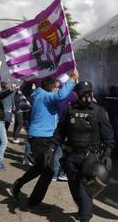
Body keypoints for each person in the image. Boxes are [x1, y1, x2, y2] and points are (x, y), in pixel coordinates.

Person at [55, 80, 114, 222]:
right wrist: (52, 149)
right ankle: (83, 210)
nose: (87, 96)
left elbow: (109, 136)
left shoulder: (99, 111)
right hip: (71, 157)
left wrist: (107, 153)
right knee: (75, 191)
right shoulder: (69, 110)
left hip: (90, 157)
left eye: (89, 92)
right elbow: (60, 132)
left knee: (85, 191)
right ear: (77, 95)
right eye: (84, 93)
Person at [11, 70, 78, 208]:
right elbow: (61, 95)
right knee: (48, 171)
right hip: (41, 137)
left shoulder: (40, 94)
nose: (57, 88)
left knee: (40, 168)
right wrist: (72, 79)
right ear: (51, 88)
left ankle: (18, 184)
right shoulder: (45, 96)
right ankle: (33, 202)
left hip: (45, 136)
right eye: (56, 86)